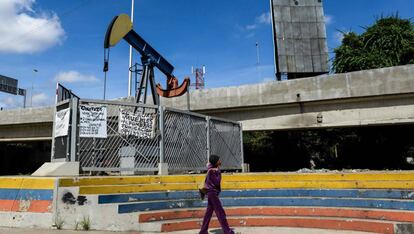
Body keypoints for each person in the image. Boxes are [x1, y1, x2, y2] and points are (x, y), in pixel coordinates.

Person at [199, 155, 235, 234]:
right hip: (213, 193)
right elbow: (217, 182)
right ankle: (227, 231)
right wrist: (218, 172)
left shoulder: (211, 170)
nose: (220, 161)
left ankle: (203, 231)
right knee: (220, 212)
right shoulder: (214, 171)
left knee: (208, 213)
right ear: (216, 161)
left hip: (211, 193)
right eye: (219, 160)